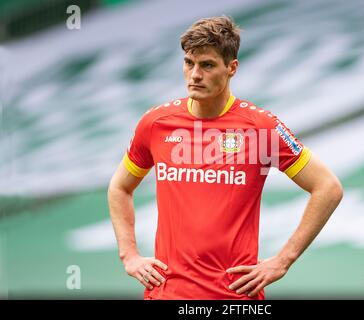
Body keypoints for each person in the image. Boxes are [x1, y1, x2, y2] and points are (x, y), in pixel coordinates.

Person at [107, 16, 343, 300]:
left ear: (232, 68)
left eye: (207, 65)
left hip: (235, 297)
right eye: (188, 63)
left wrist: (283, 261)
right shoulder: (156, 124)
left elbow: (328, 188)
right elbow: (120, 187)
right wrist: (129, 255)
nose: (194, 75)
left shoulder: (260, 129)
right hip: (167, 294)